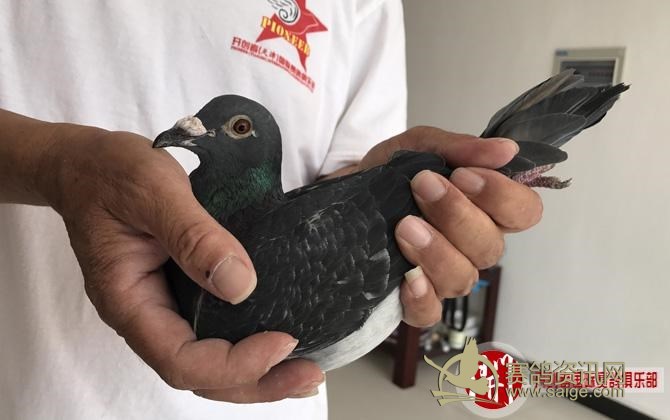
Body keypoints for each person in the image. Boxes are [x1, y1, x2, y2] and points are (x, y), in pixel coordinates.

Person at [0, 1, 542, 419]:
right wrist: (54, 165)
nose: (195, 130)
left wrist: (433, 204)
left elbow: (349, 173)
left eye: (237, 130)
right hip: (43, 389)